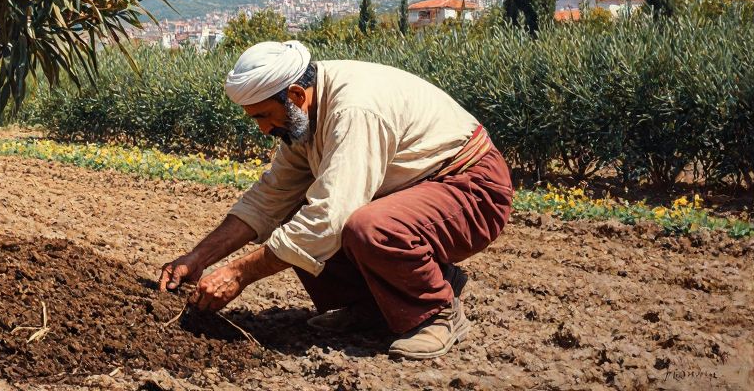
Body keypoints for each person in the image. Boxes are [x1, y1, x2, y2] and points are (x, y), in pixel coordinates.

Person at [157, 40, 513, 359]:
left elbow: (330, 218)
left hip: (471, 187)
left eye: (264, 116)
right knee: (294, 215)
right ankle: (371, 306)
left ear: (295, 95)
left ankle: (436, 311)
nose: (263, 129)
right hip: (416, 191)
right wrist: (198, 257)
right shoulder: (303, 121)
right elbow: (269, 199)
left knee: (367, 227)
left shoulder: (353, 109)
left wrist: (239, 273)